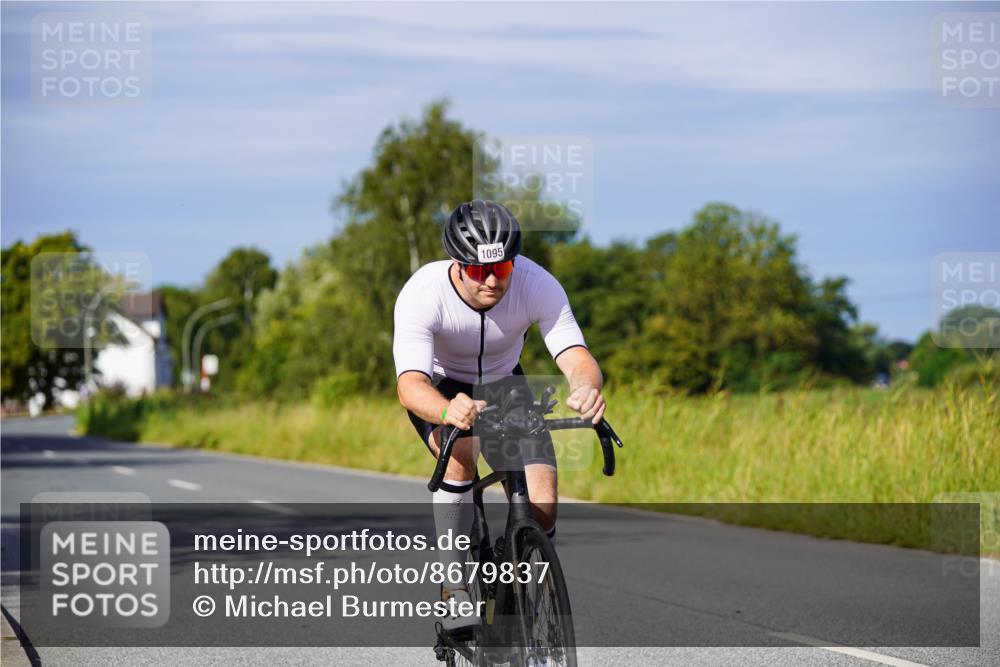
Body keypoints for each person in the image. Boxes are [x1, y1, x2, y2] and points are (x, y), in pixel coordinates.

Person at [393, 199, 606, 633]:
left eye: (502, 269)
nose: (491, 281)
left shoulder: (537, 284)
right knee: (462, 449)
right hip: (442, 388)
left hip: (505, 385)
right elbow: (409, 385)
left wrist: (586, 388)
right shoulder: (422, 292)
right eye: (477, 271)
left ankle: (520, 601)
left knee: (541, 510)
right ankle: (455, 588)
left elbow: (576, 355)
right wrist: (447, 408)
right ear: (457, 264)